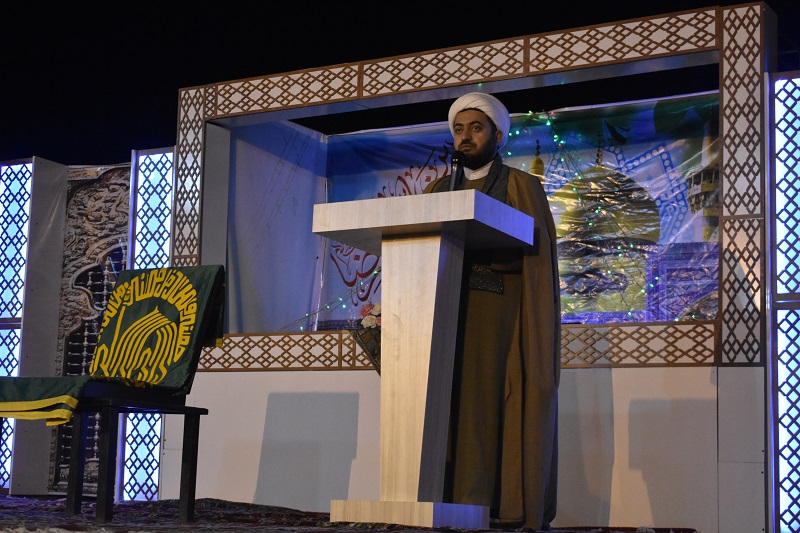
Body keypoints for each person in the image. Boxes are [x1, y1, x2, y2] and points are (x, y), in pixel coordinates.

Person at [424, 92, 561, 530]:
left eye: (476, 128)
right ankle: (435, 502)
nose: (465, 137)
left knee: (480, 406)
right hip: (442, 313)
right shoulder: (436, 190)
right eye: (458, 129)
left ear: (498, 136)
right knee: (440, 409)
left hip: (495, 311)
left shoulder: (521, 186)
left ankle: (480, 504)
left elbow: (535, 256)